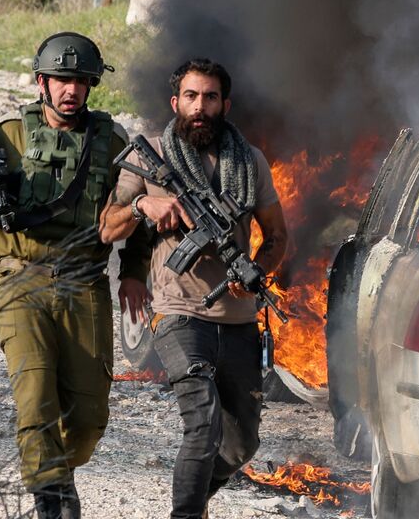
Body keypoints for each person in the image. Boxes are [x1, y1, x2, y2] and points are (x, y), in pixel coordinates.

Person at [0, 32, 149, 519]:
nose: (70, 90)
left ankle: (56, 471)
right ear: (42, 81)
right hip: (21, 277)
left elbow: (135, 208)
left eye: (81, 81)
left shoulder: (113, 143)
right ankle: (52, 501)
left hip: (85, 283)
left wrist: (135, 272)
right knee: (35, 398)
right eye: (61, 79)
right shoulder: (10, 135)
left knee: (88, 417)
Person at [101, 57, 288, 519]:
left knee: (242, 444)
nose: (199, 107)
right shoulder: (151, 155)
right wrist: (145, 204)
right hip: (178, 310)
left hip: (239, 318)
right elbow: (108, 227)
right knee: (202, 425)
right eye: (190, 96)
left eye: (209, 97)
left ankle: (197, 499)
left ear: (225, 103)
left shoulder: (250, 161)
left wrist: (256, 272)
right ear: (175, 102)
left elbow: (277, 236)